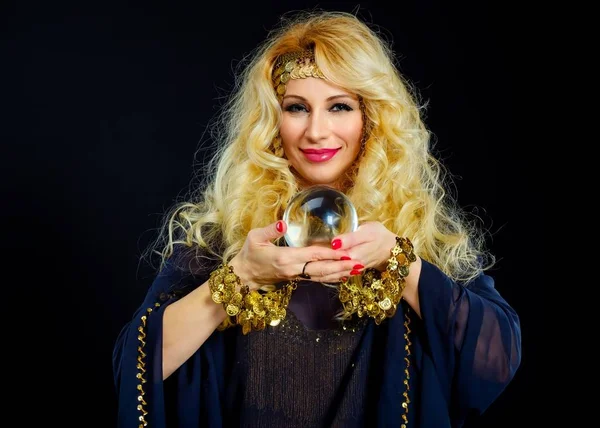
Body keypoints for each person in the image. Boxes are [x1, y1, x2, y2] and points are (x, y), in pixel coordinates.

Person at [112, 10, 521, 428]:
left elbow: (497, 358)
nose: (317, 131)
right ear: (273, 122)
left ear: (370, 119)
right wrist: (241, 276)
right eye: (297, 108)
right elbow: (136, 369)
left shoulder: (417, 234)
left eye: (339, 106)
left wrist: (400, 261)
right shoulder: (226, 240)